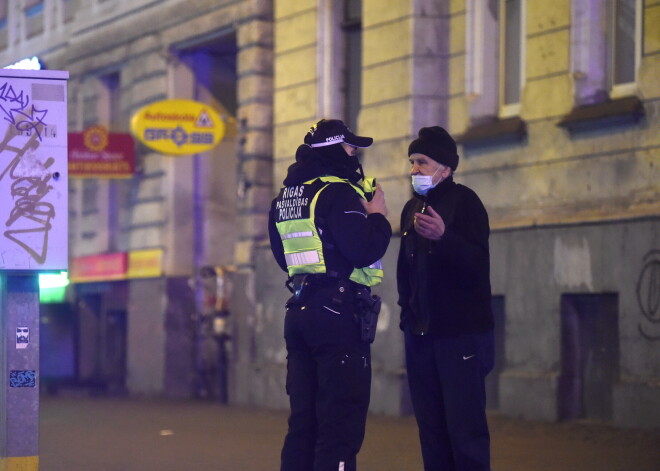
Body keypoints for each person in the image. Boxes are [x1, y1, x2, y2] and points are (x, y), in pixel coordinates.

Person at [268, 119, 391, 471]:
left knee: (303, 423)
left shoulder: (285, 198)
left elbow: (283, 258)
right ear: (336, 150)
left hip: (300, 310)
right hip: (337, 316)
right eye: (351, 148)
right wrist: (379, 217)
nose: (354, 155)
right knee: (339, 423)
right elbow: (363, 248)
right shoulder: (337, 193)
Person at [397, 126, 495, 471]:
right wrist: (407, 318)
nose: (414, 171)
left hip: (460, 336)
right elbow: (405, 271)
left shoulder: (465, 202)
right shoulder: (412, 208)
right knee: (431, 431)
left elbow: (478, 266)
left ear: (446, 168)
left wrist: (444, 237)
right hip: (422, 338)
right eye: (412, 162)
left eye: (422, 162)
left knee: (465, 432)